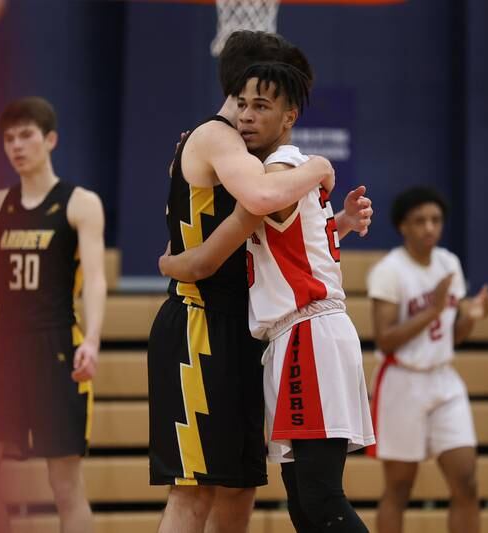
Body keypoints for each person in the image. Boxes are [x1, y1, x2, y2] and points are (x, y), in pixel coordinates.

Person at [160, 61, 375, 532]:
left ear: (289, 116)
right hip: (295, 336)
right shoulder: (284, 174)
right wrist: (338, 220)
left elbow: (208, 255)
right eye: (241, 104)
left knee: (320, 500)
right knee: (303, 502)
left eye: (262, 106)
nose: (247, 116)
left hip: (307, 335)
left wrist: (168, 264)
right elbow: (295, 240)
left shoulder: (277, 170)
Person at [0, 96, 106, 533]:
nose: (16, 146)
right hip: (4, 349)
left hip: (56, 348)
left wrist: (94, 341)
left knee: (64, 483)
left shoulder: (80, 203)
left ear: (50, 139)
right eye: (8, 138)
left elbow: (97, 279)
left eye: (26, 135)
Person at [365, 187, 488, 533]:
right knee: (399, 489)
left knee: (466, 481)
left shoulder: (448, 263)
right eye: (420, 220)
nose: (429, 228)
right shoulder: (389, 271)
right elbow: (385, 339)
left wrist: (473, 317)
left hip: (444, 379)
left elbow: (452, 336)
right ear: (402, 226)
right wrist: (434, 309)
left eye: (436, 220)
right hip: (402, 381)